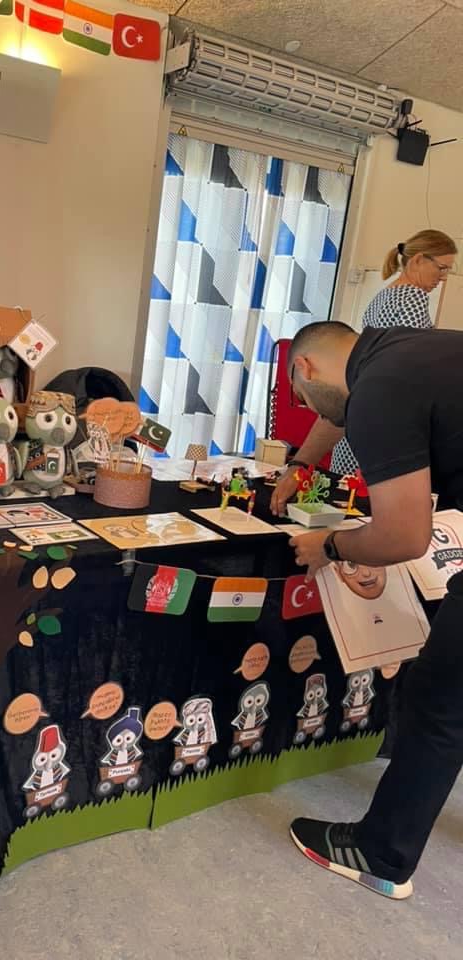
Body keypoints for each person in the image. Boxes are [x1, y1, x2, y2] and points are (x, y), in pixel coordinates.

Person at [285, 319, 463, 900]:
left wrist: (330, 545)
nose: (308, 408)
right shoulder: (404, 351)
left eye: (300, 396)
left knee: (440, 700)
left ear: (305, 368)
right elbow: (336, 414)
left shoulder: (378, 391)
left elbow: (404, 536)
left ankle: (380, 854)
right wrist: (299, 466)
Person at [271, 229, 457, 516]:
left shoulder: (387, 295)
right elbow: (392, 389)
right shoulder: (411, 299)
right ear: (419, 260)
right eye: (441, 268)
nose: (443, 277)